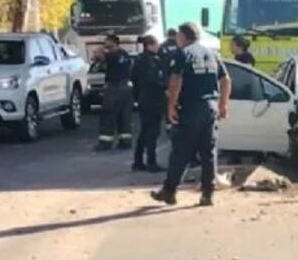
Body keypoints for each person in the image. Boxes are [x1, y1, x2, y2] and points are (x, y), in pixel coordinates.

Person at [151, 22, 231, 207]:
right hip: (210, 108)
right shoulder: (212, 54)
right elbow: (226, 79)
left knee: (180, 152)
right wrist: (223, 105)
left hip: (190, 108)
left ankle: (169, 191)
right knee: (208, 153)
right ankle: (207, 195)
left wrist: (171, 106)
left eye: (178, 35)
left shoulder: (183, 53)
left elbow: (175, 79)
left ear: (183, 36)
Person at [131, 35, 167, 172]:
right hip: (152, 100)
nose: (158, 47)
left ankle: (138, 161)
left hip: (143, 99)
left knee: (145, 132)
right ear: (149, 45)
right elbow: (155, 80)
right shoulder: (150, 61)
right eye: (156, 44)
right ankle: (151, 162)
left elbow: (134, 79)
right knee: (152, 133)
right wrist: (164, 87)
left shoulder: (139, 59)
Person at [95, 34, 134, 151]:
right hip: (126, 87)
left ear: (113, 42)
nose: (105, 44)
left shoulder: (111, 55)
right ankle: (125, 140)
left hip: (114, 87)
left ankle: (105, 142)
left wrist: (101, 52)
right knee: (124, 115)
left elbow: (98, 57)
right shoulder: (124, 54)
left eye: (106, 42)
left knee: (108, 113)